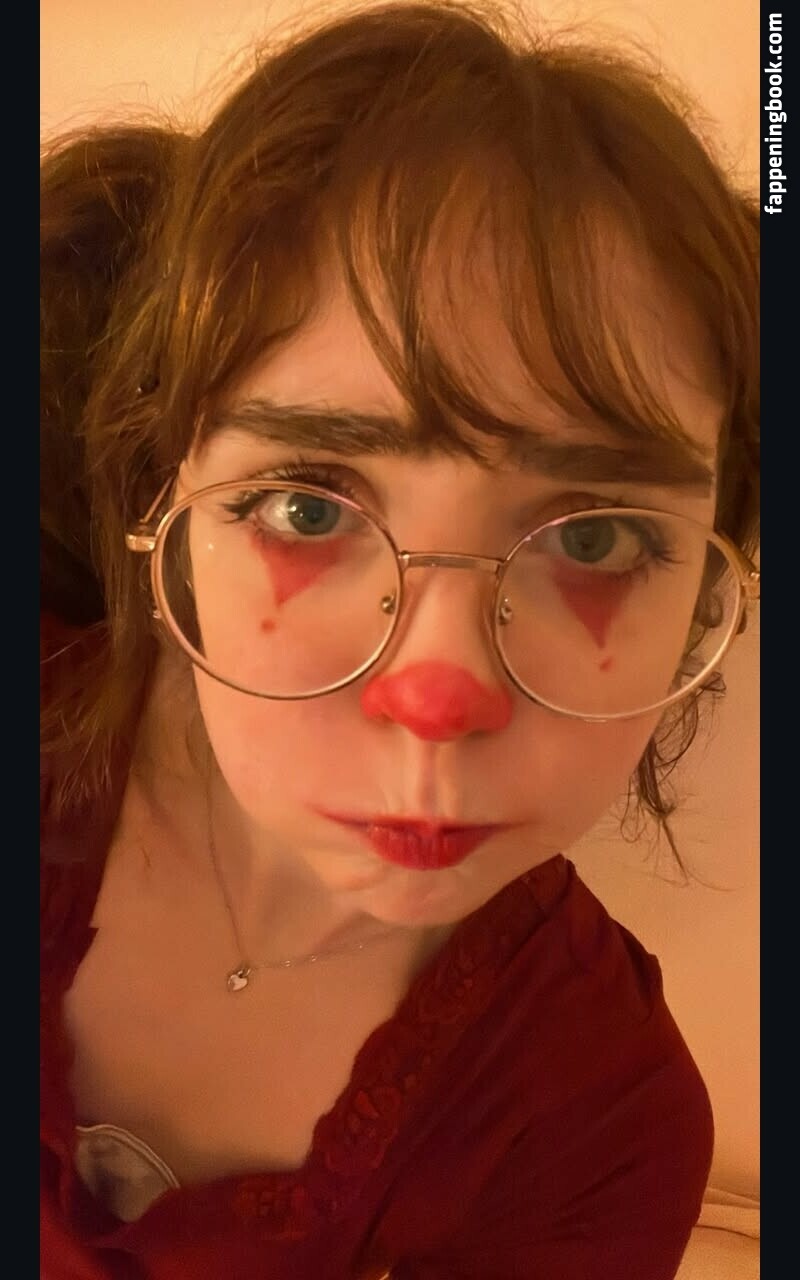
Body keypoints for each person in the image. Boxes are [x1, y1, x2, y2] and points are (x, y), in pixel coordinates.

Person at [40, 2, 760, 1276]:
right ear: (163, 497)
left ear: (709, 589)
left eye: (594, 537)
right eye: (308, 508)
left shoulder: (595, 1125)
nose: (437, 694)